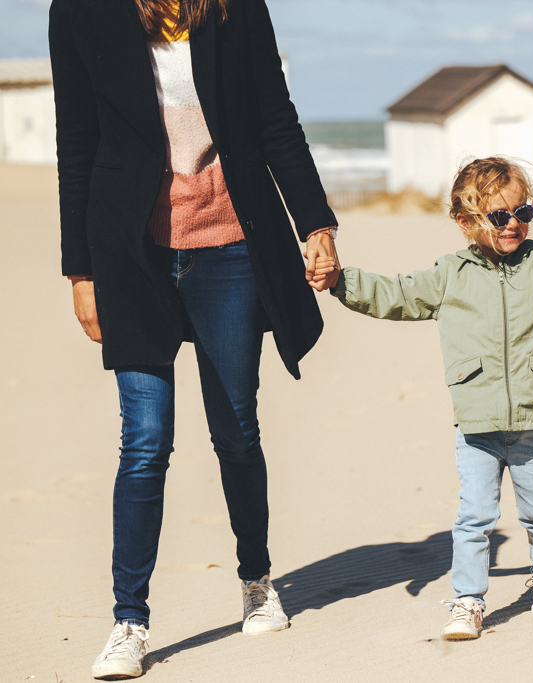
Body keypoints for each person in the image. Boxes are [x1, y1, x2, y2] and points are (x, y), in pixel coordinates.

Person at [49, 0, 340, 677]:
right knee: (145, 440)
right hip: (131, 251)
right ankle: (130, 620)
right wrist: (81, 271)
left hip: (231, 244)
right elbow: (77, 141)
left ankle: (257, 579)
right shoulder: (81, 11)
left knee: (236, 427)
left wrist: (315, 222)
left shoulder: (234, 7)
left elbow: (274, 118)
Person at [315, 157, 533, 640]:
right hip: (476, 419)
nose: (513, 223)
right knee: (474, 516)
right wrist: (341, 282)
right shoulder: (449, 275)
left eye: (523, 211)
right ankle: (468, 600)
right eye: (498, 216)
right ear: (465, 220)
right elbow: (394, 295)